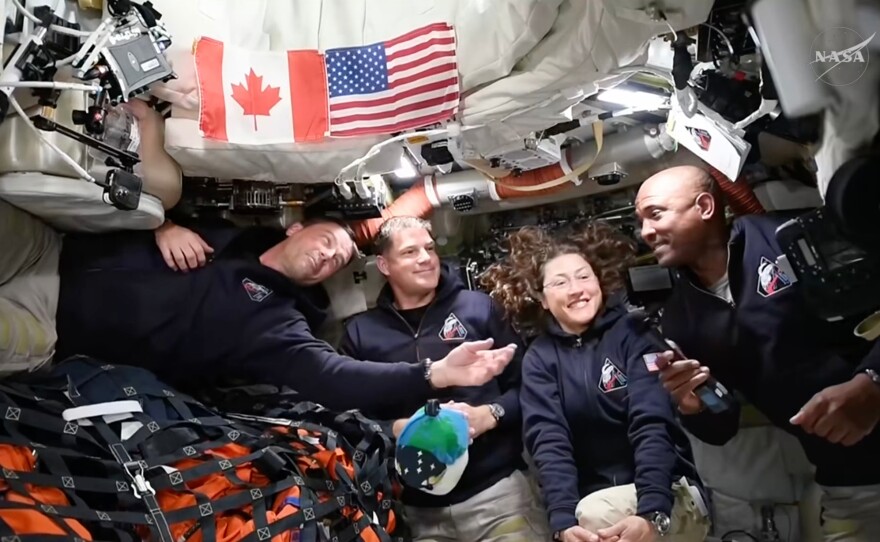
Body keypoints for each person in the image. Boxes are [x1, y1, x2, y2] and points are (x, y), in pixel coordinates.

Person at [0, 199, 516, 413]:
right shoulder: (223, 232)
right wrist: (161, 224)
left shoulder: (276, 325)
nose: (328, 256)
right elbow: (131, 197)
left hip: (50, 329)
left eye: (337, 260)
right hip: (53, 250)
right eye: (328, 241)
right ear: (297, 227)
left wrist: (432, 376)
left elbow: (334, 375)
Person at [635, 164, 880, 541]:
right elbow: (723, 425)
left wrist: (872, 382)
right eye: (641, 221)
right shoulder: (681, 319)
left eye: (655, 214)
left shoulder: (790, 236)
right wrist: (695, 405)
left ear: (703, 206)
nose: (645, 232)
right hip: (852, 477)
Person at [481, 222, 709, 542]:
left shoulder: (636, 335)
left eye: (584, 276)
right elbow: (549, 441)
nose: (576, 289)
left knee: (596, 513)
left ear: (599, 283)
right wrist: (562, 523)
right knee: (590, 516)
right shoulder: (540, 359)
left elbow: (652, 424)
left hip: (668, 491)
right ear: (542, 299)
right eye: (560, 282)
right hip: (593, 505)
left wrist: (651, 513)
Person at [340, 217, 549, 542]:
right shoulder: (361, 334)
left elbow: (530, 387)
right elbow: (348, 419)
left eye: (429, 248)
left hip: (498, 497)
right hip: (418, 512)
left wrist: (490, 415)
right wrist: (396, 428)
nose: (425, 257)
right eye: (410, 251)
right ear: (383, 264)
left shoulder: (479, 309)